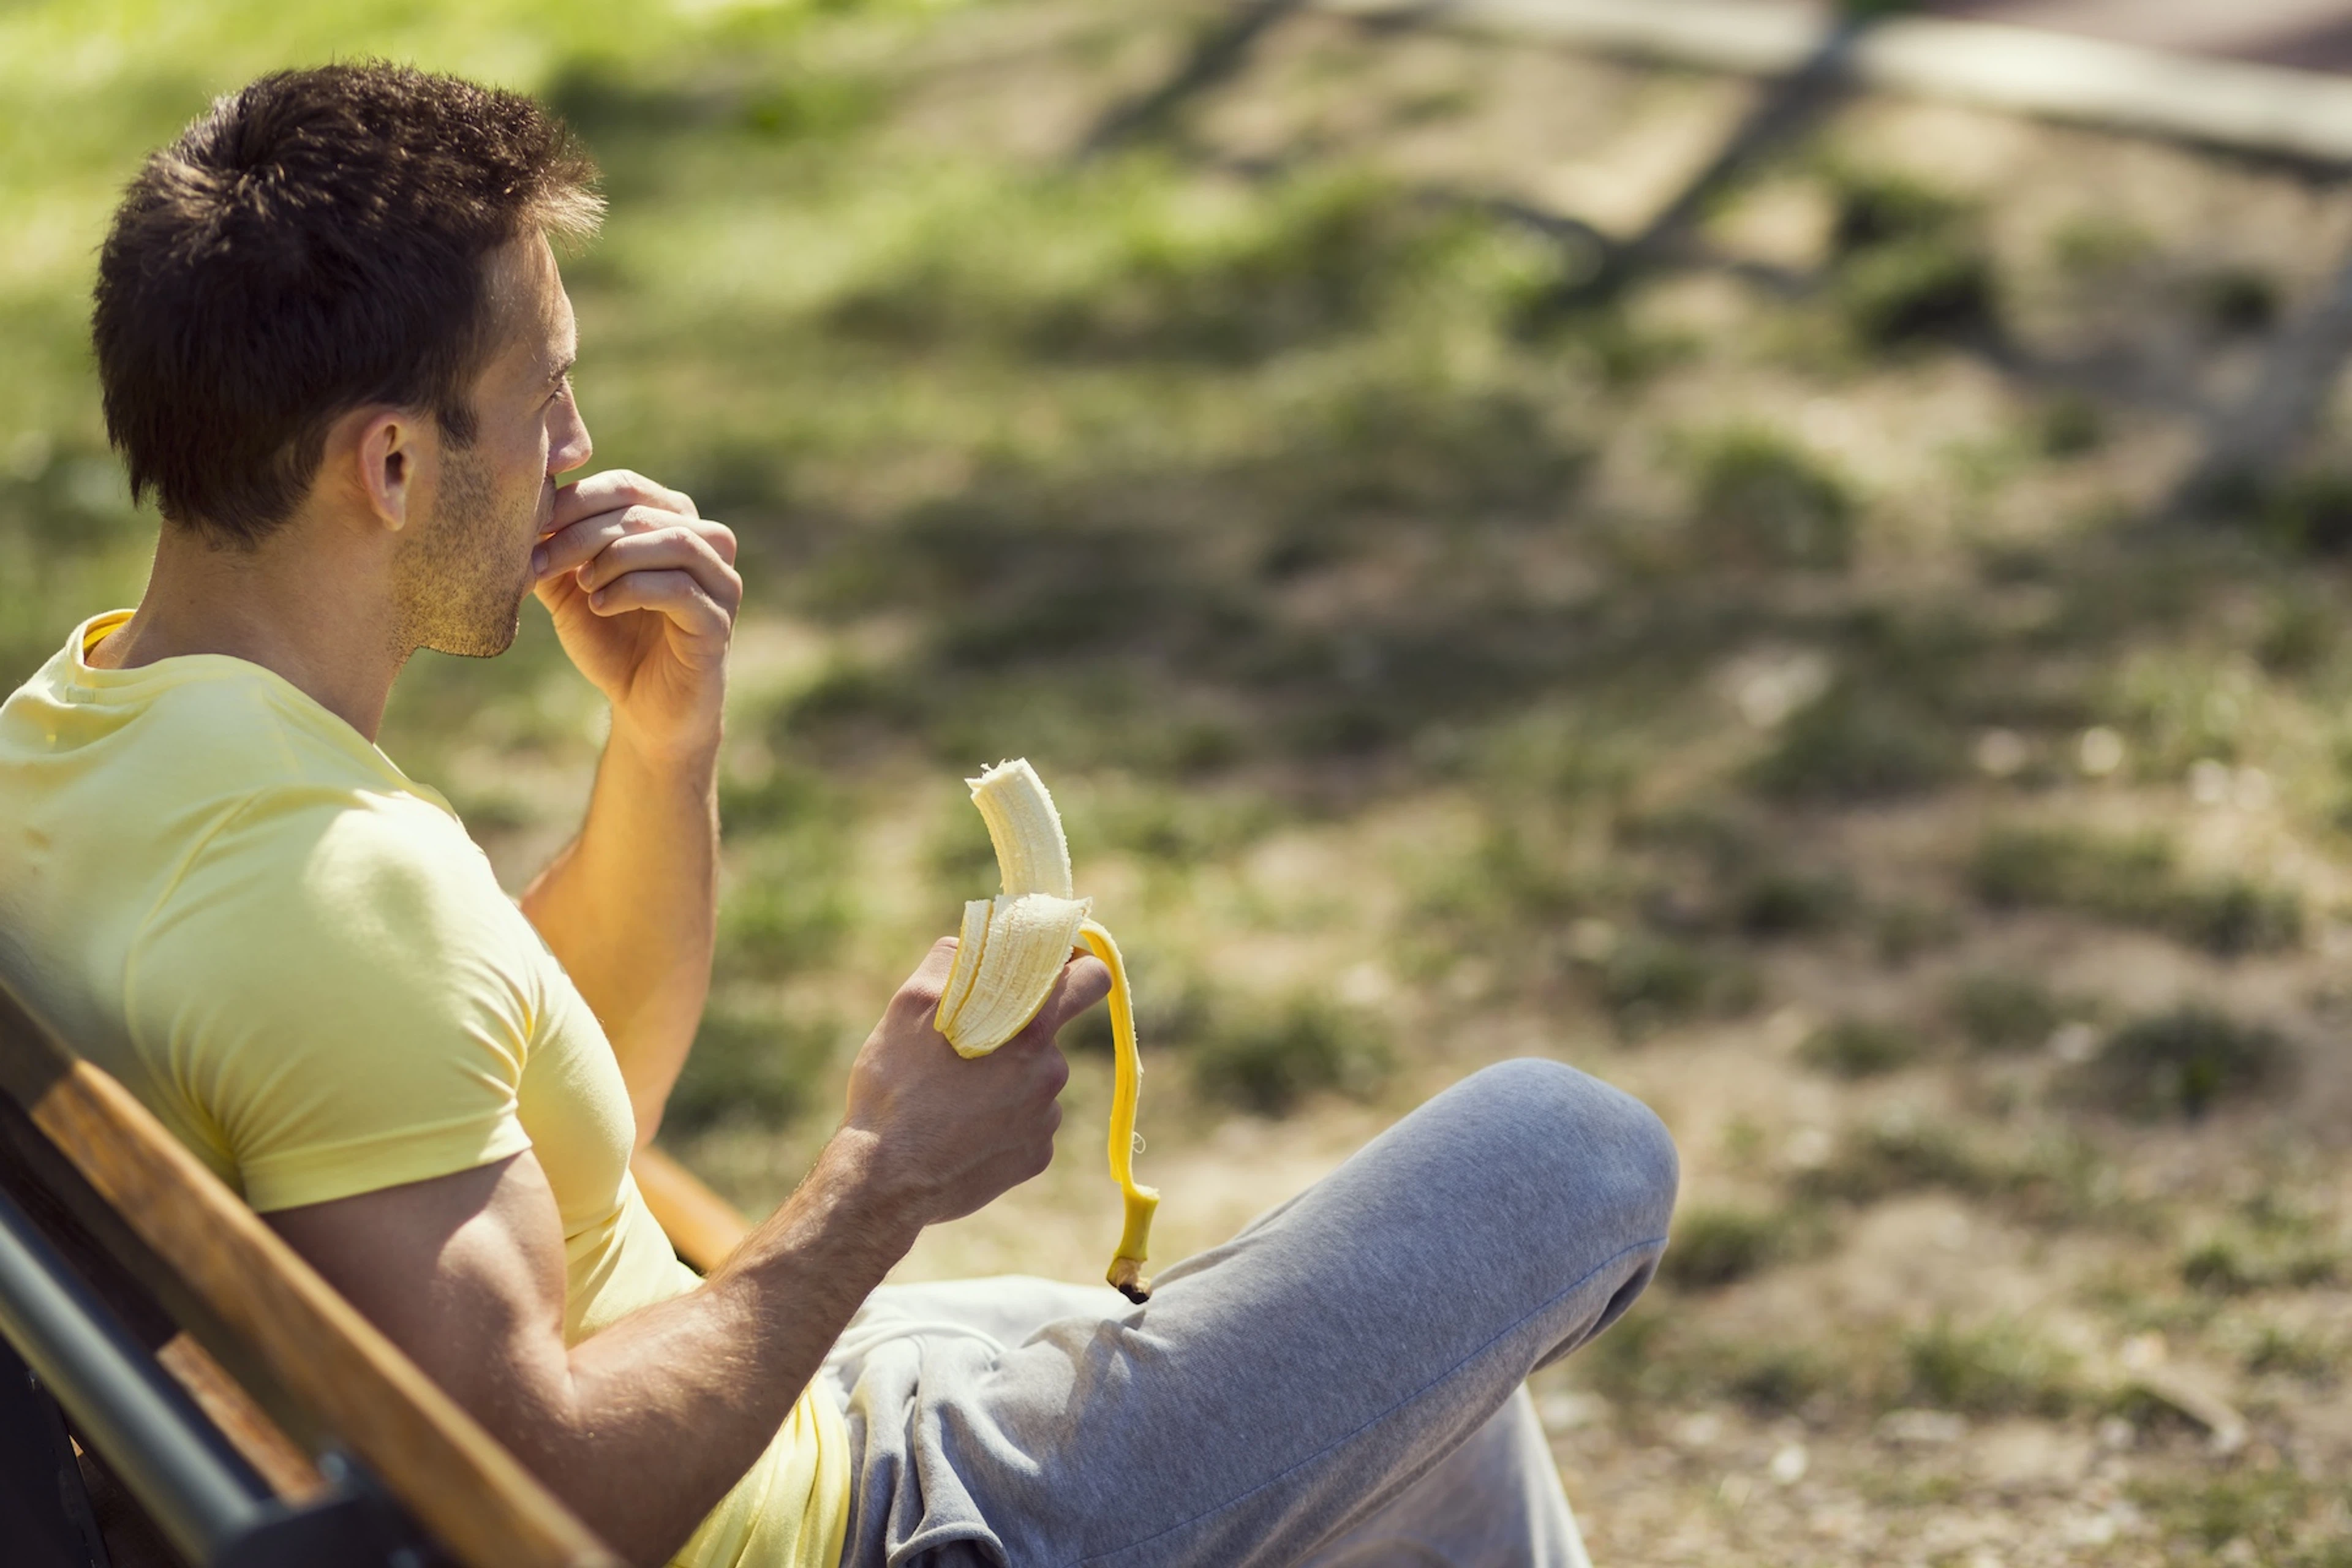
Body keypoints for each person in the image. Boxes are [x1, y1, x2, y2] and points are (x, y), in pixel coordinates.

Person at [0, 64, 1678, 1568]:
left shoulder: (76, 742)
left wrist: (662, 749)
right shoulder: (328, 885)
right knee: (1573, 1149)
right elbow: (526, 1515)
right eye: (545, 396)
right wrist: (880, 1180)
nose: (577, 451)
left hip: (795, 1404)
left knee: (1433, 1413)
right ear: (389, 468)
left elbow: (568, 1102)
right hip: (894, 1520)